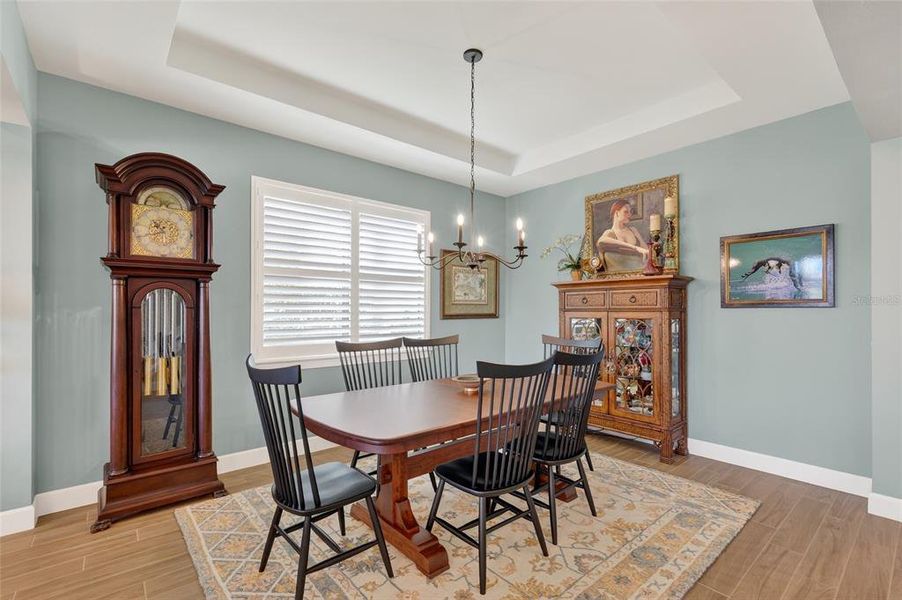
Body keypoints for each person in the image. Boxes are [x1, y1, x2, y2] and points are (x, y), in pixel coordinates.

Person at [596, 199, 649, 272]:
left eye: (630, 212)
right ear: (617, 213)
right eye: (626, 211)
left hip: (639, 272)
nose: (629, 215)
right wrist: (636, 248)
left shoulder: (633, 230)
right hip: (619, 276)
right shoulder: (609, 233)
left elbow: (647, 251)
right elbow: (600, 242)